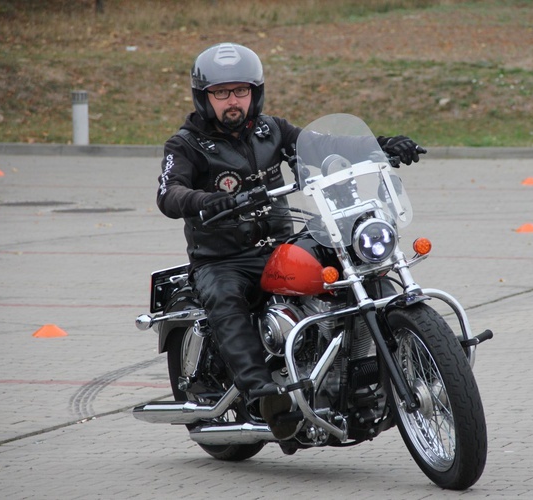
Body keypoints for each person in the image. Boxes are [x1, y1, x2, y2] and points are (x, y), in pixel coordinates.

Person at [156, 42, 425, 431]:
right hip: (223, 257)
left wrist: (379, 145)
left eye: (241, 91)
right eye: (221, 93)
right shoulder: (185, 145)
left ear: (255, 93)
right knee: (225, 298)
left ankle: (361, 375)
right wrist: (208, 201)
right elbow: (169, 193)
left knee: (354, 269)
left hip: (283, 244)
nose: (233, 101)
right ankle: (265, 395)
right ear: (204, 98)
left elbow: (324, 145)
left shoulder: (272, 130)